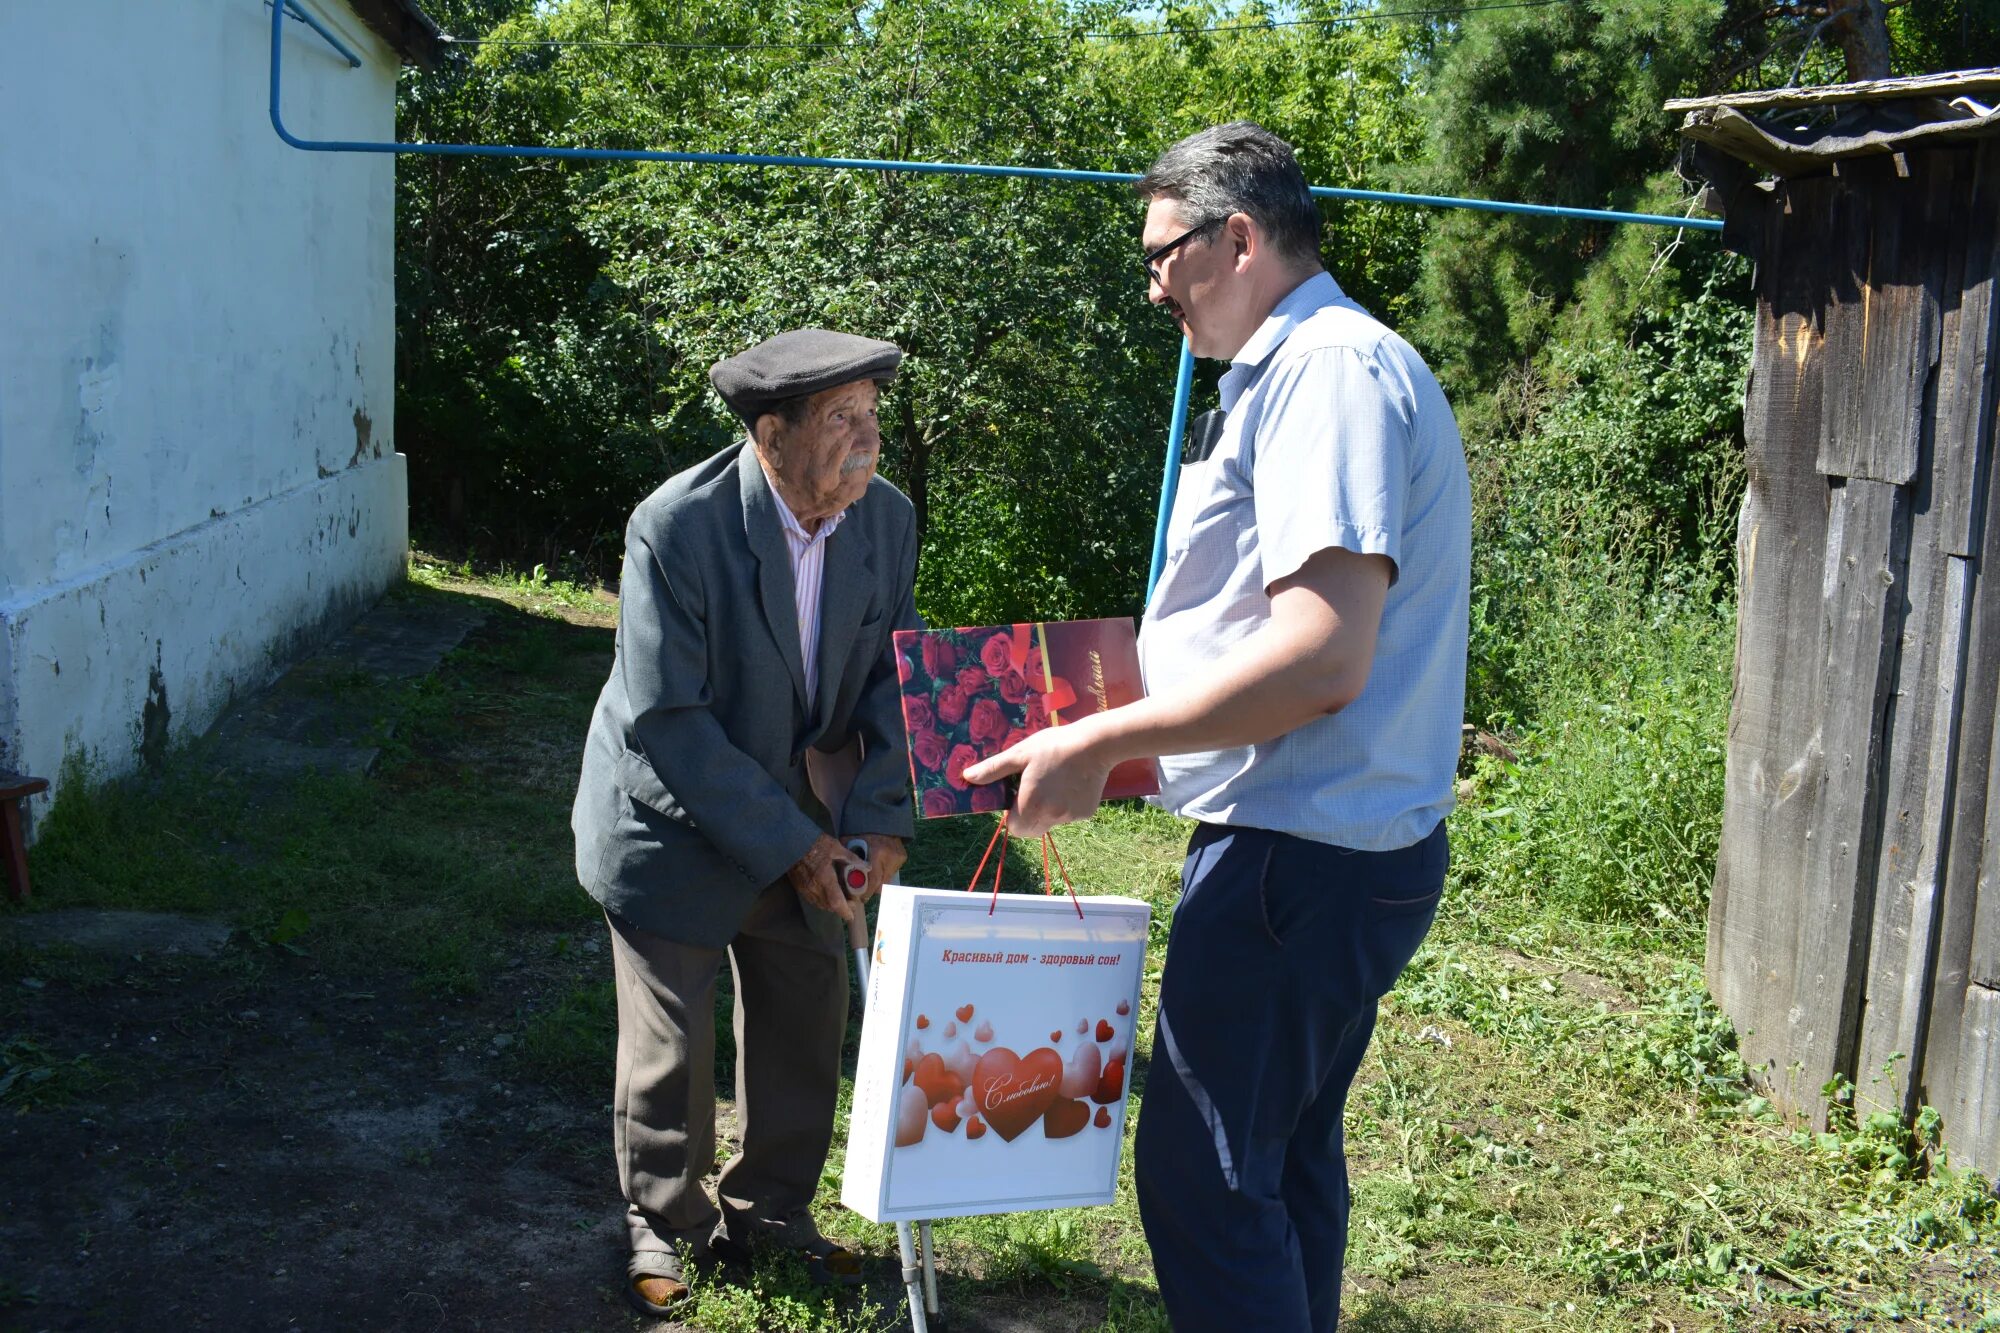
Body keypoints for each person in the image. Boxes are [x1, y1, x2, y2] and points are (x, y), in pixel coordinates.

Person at [964, 122, 1470, 1332]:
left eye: (1162, 253)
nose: (1153, 284)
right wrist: (1132, 729)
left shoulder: (1326, 373)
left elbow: (1321, 657)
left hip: (1295, 860)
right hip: (1335, 851)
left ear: (1234, 237)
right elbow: (1266, 633)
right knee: (1280, 1159)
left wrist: (1094, 741)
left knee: (1204, 1178)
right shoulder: (1319, 367)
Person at [571, 328, 920, 1315]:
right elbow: (667, 720)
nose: (867, 440)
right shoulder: (676, 527)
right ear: (771, 433)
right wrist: (795, 844)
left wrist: (881, 817)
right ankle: (663, 1221)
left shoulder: (883, 521)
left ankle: (771, 1215)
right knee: (672, 1045)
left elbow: (896, 669)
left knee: (808, 1012)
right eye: (840, 419)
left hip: (809, 810)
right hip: (673, 817)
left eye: (872, 416)